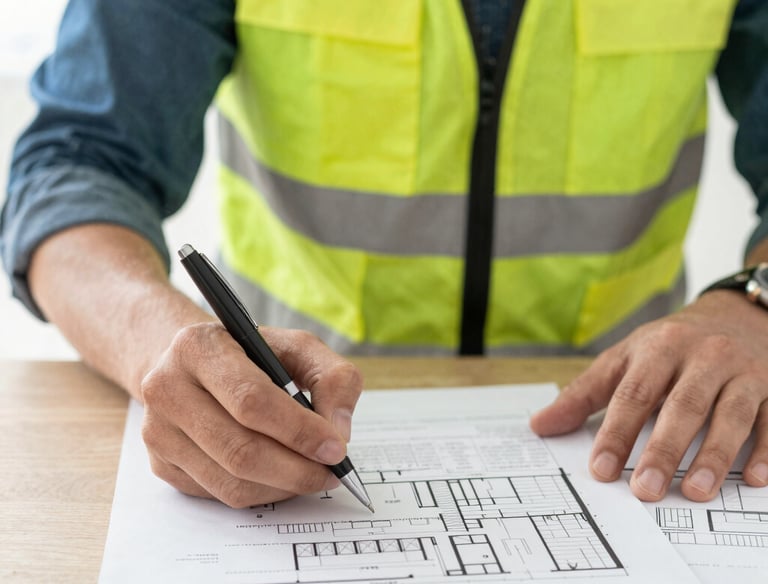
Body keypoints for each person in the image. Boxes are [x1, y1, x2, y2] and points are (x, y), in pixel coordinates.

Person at [2, 0, 768, 508]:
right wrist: (158, 343)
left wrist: (755, 298)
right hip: (285, 404)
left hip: (624, 423)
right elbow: (75, 166)